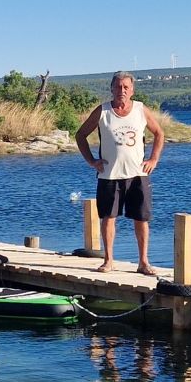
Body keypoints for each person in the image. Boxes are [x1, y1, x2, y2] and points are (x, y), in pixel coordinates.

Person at [75, 71, 166, 273]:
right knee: (108, 217)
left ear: (132, 90)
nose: (121, 91)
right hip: (109, 174)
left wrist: (153, 159)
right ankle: (108, 261)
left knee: (141, 218)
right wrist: (91, 161)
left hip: (138, 174)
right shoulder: (103, 111)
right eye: (118, 87)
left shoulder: (141, 109)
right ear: (111, 89)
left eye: (126, 87)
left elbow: (159, 133)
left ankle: (143, 262)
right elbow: (80, 134)